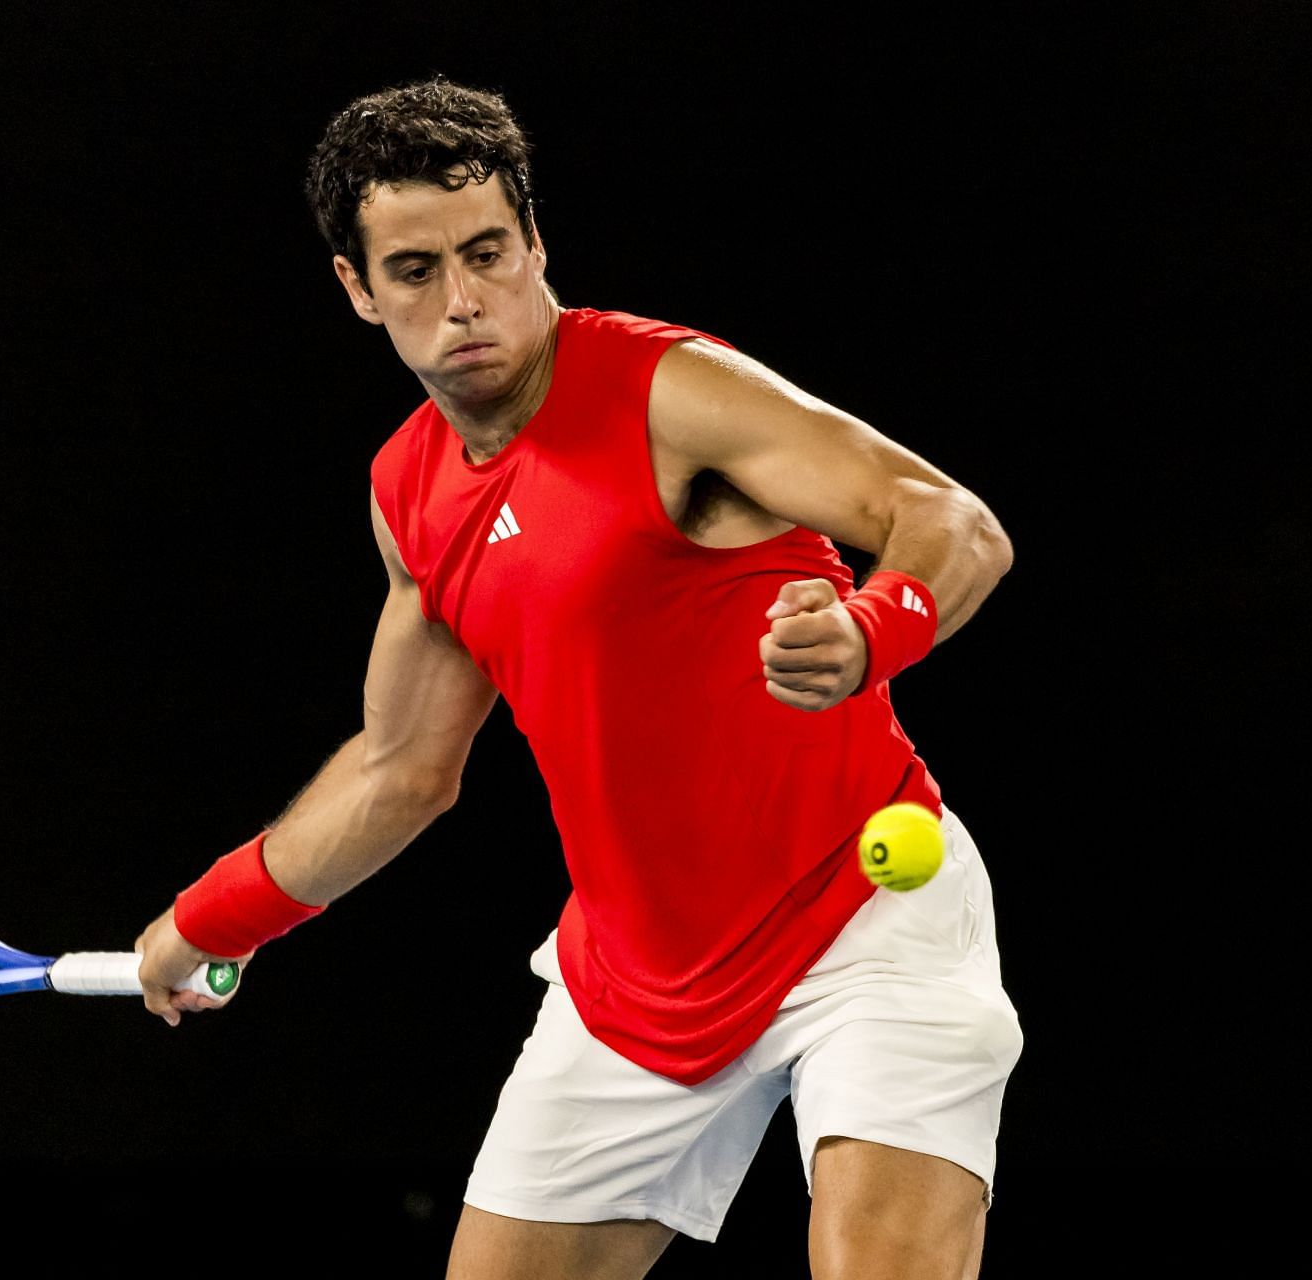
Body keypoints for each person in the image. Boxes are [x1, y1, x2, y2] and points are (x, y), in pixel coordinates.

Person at [134, 76, 1023, 1280]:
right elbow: (400, 770)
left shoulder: (671, 392)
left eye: (489, 252)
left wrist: (871, 629)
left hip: (864, 921)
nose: (465, 301)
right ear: (356, 289)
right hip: (633, 984)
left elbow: (948, 521)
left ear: (535, 242)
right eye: (415, 271)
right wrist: (205, 919)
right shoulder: (410, 492)